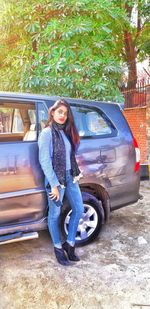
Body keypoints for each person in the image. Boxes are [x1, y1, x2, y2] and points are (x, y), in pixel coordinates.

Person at [38, 99, 84, 266]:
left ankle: (69, 244)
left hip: (70, 176)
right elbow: (44, 160)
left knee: (79, 209)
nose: (63, 116)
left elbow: (69, 155)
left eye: (65, 113)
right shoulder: (47, 133)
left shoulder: (66, 132)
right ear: (52, 112)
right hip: (56, 179)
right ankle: (58, 247)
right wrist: (54, 185)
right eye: (60, 112)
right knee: (54, 215)